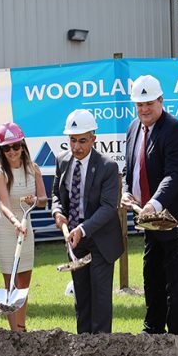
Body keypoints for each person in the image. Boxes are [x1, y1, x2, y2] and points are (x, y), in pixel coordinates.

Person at [121, 75, 178, 337]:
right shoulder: (134, 127)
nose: (144, 109)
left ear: (161, 100)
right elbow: (130, 167)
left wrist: (154, 202)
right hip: (152, 221)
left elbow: (176, 173)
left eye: (149, 103)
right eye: (139, 104)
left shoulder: (175, 129)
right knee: (152, 276)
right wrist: (126, 192)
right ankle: (153, 331)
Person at [52, 110, 123, 333]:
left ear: (94, 138)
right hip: (75, 241)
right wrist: (57, 211)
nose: (77, 147)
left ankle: (102, 349)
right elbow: (56, 194)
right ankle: (83, 347)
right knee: (81, 298)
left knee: (100, 300)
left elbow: (109, 207)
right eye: (72, 140)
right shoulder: (62, 161)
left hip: (100, 240)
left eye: (82, 140)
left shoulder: (108, 166)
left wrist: (83, 228)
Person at [0, 122, 47, 332]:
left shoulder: (34, 169)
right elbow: (3, 204)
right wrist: (15, 222)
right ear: (1, 150)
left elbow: (43, 200)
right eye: (6, 148)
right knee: (12, 282)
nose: (12, 152)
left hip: (27, 229)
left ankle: (21, 329)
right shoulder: (0, 174)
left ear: (22, 145)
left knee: (24, 282)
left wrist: (35, 199)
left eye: (15, 146)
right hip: (7, 230)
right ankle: (14, 332)